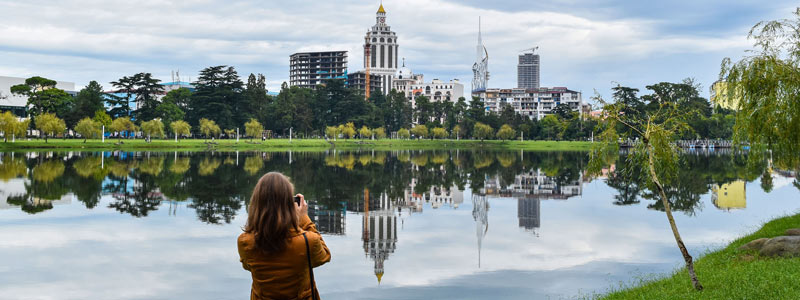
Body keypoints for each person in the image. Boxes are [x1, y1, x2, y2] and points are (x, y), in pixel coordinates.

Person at [238, 172, 331, 300]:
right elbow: (324, 256)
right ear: (289, 205)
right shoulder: (307, 241)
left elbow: (247, 266)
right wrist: (303, 218)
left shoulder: (245, 241)